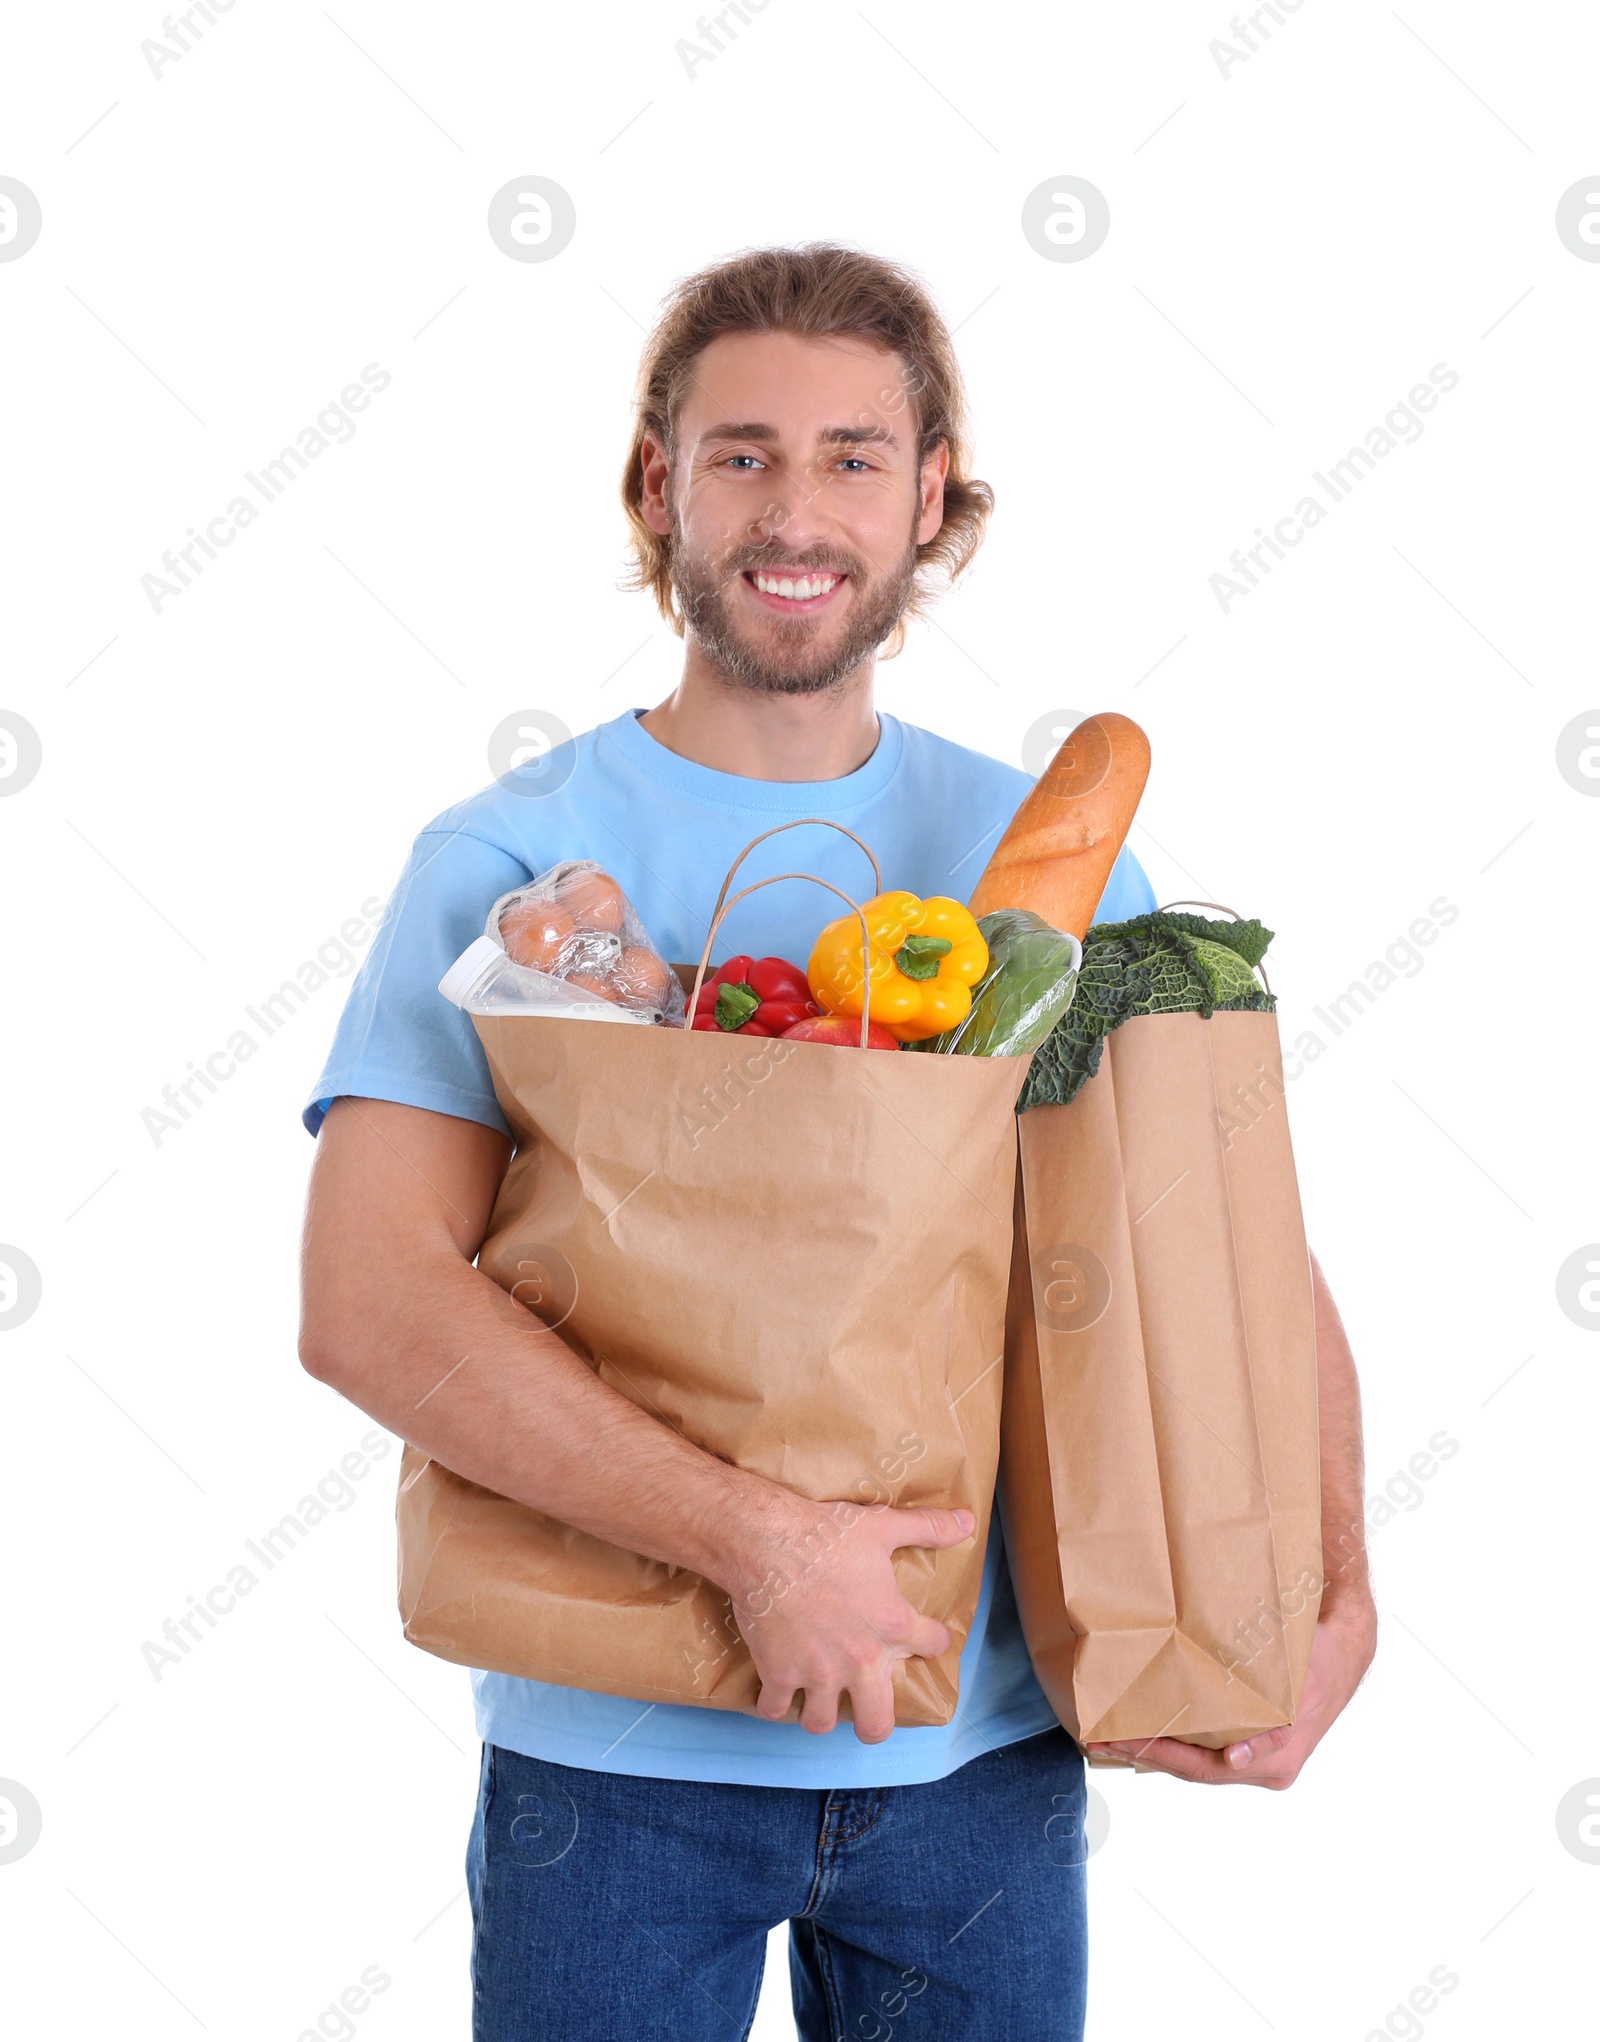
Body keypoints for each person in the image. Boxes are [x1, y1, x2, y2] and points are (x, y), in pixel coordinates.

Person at [298, 243, 1377, 2041]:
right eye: (741, 453)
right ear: (660, 486)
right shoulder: (502, 862)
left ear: (931, 495)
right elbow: (368, 1302)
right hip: (613, 1756)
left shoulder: (1057, 864)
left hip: (984, 1762)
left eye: (855, 457)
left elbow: (1229, 1255)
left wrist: (1329, 1582)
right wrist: (760, 1546)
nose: (795, 509)